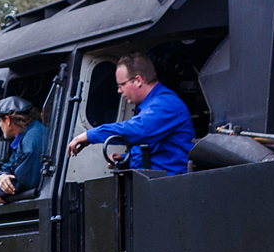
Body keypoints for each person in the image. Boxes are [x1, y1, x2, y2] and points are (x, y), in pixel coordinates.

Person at [66, 53, 194, 174]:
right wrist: (126, 158)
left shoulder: (166, 104)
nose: (118, 91)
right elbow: (155, 149)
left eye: (121, 84)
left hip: (173, 186)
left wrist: (91, 135)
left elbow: (138, 131)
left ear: (138, 80)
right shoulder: (150, 106)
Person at [0, 96, 47, 202]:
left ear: (8, 120)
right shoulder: (24, 137)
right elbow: (10, 165)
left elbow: (21, 182)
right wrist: (2, 177)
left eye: (0, 121)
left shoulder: (31, 141)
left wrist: (0, 191)